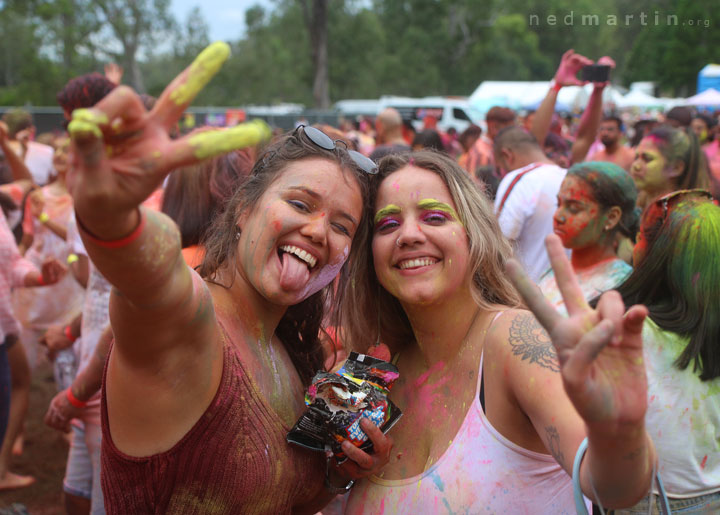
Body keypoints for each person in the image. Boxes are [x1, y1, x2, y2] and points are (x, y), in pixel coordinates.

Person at [64, 42, 389, 514]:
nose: (319, 231)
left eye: (342, 226)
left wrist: (337, 475)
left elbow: (279, 499)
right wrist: (109, 217)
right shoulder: (189, 322)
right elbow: (149, 281)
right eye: (299, 204)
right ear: (242, 210)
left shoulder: (293, 351)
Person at [341, 150, 656, 513]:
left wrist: (620, 429)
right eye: (387, 225)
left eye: (434, 217)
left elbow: (614, 488)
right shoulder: (377, 370)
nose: (409, 235)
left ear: (473, 234)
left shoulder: (515, 341)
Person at [613, 192, 720, 513]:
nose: (634, 247)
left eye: (641, 238)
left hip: (653, 501)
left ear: (662, 256)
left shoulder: (632, 329)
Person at [0, 206, 66, 490]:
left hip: (3, 328)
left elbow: (11, 263)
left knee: (19, 382)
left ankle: (1, 469)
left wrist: (40, 278)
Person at [539, 161, 638, 315]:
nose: (557, 216)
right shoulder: (554, 271)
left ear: (611, 217)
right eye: (558, 204)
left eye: (573, 209)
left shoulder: (621, 284)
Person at [493, 126, 567, 281]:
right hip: (569, 294)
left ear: (507, 155)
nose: (502, 173)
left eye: (500, 168)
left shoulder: (519, 180)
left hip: (528, 295)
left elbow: (499, 244)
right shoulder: (570, 177)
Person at [630, 125, 709, 210]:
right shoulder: (635, 205)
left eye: (647, 159)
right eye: (636, 157)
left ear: (676, 168)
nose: (636, 166)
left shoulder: (687, 218)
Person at [464, 106, 515, 175]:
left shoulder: (490, 147)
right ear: (493, 126)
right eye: (508, 129)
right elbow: (475, 183)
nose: (511, 134)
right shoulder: (482, 153)